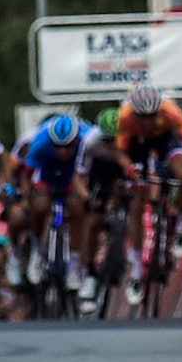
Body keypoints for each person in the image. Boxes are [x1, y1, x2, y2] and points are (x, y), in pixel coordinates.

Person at [115, 83, 182, 306]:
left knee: (181, 174)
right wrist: (131, 170)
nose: (147, 120)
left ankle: (180, 226)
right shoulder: (125, 117)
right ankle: (135, 268)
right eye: (142, 116)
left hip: (166, 138)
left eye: (152, 115)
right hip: (137, 144)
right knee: (137, 201)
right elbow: (121, 153)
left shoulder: (170, 111)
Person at [21, 114, 89, 288]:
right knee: (40, 205)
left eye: (68, 147)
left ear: (76, 141)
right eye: (58, 147)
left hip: (74, 173)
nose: (63, 152)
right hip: (48, 171)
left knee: (78, 208)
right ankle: (37, 250)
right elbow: (26, 176)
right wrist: (27, 199)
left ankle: (73, 263)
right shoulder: (40, 142)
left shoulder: (87, 139)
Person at [75, 108, 126, 311]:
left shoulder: (131, 137)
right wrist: (88, 197)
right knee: (93, 219)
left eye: (114, 139)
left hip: (122, 166)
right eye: (106, 139)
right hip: (100, 170)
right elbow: (79, 177)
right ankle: (89, 273)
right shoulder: (90, 140)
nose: (109, 144)